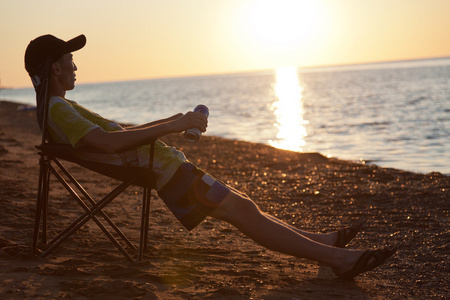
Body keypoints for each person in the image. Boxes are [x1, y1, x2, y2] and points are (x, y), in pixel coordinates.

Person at [24, 34, 396, 280]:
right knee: (243, 211)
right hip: (168, 174)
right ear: (55, 67)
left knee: (245, 206)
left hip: (166, 167)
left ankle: (324, 244)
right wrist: (173, 127)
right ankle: (338, 261)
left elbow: (117, 137)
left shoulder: (59, 109)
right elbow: (107, 143)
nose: (75, 67)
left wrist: (175, 121)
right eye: (70, 60)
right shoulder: (58, 110)